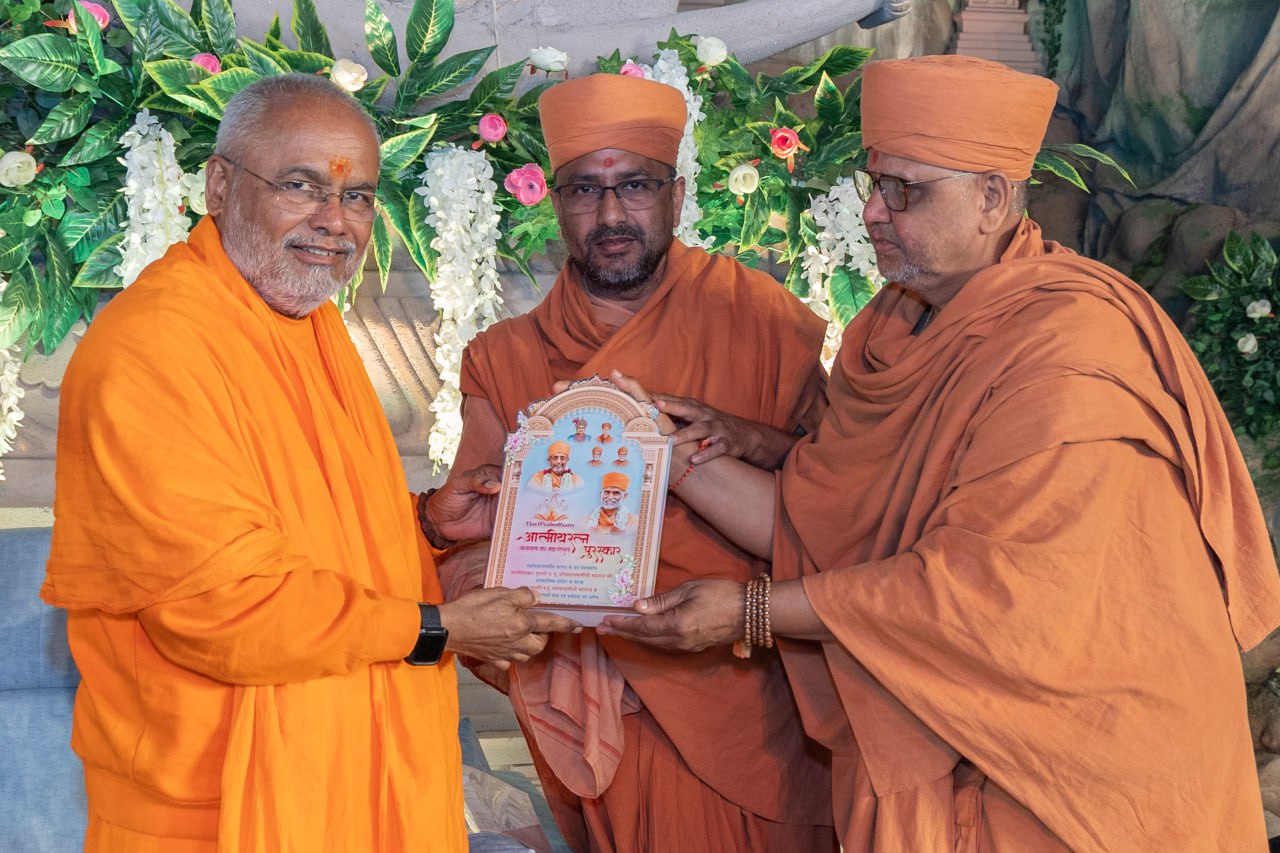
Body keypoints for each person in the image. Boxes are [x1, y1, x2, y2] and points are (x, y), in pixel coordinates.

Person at [601, 55, 1280, 850]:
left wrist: (750, 611)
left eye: (906, 191)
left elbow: (982, 597)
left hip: (1074, 767)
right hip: (950, 730)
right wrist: (656, 444)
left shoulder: (1071, 355)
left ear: (992, 197)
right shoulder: (895, 325)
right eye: (873, 185)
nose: (874, 214)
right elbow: (825, 518)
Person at [40, 74, 576, 852]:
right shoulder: (153, 349)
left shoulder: (304, 320)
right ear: (219, 186)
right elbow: (224, 606)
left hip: (346, 775)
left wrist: (426, 523)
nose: (334, 220)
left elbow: (309, 534)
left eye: (357, 196)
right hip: (218, 807)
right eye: (300, 185)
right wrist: (439, 629)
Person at [423, 74, 835, 852]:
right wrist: (538, 609)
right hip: (607, 707)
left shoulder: (764, 321)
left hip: (758, 695)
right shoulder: (504, 358)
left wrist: (748, 438)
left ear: (675, 197)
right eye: (586, 189)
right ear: (556, 204)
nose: (611, 214)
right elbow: (467, 545)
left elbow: (844, 496)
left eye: (636, 186)